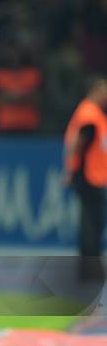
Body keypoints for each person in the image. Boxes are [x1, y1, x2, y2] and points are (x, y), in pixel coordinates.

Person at [64, 78, 107, 259]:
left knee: (92, 220)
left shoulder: (94, 113)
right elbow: (78, 144)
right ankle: (89, 263)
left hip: (94, 174)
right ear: (95, 91)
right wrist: (69, 170)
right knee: (92, 221)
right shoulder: (89, 113)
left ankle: (89, 262)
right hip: (89, 175)